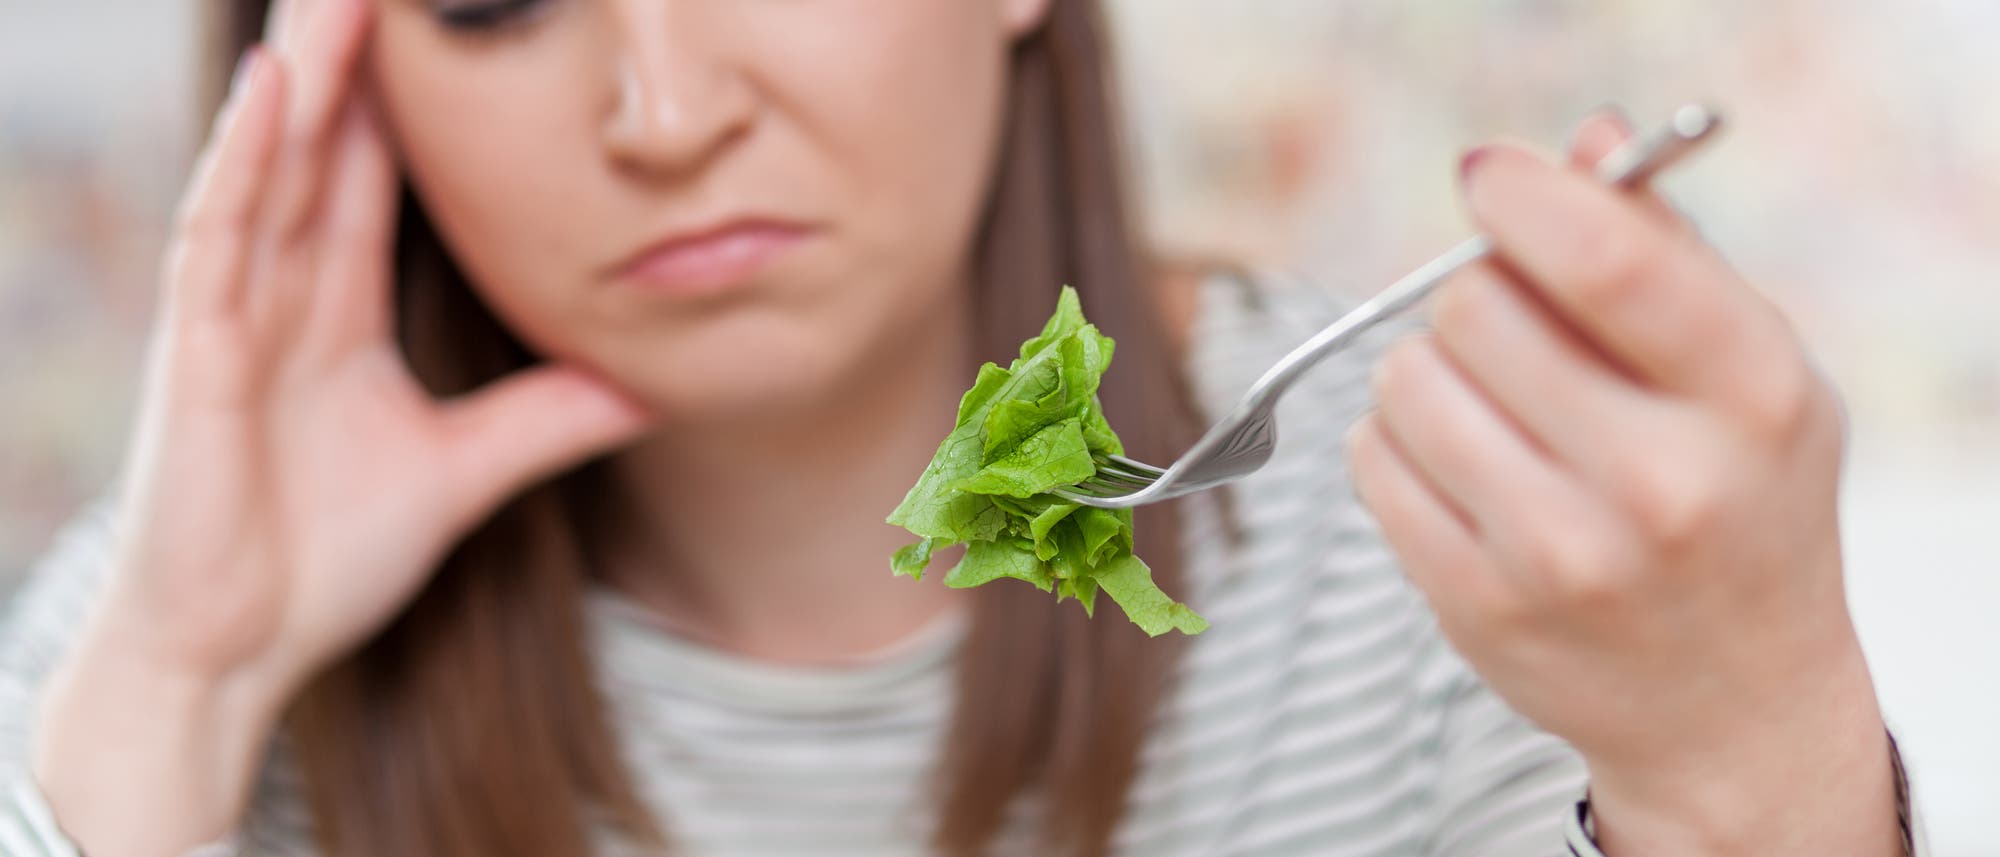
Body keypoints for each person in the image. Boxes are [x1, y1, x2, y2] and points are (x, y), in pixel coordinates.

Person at [0, 1, 1917, 855]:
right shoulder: (167, 633)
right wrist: (177, 677)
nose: (663, 103)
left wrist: (1759, 772)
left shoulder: (1456, 531)